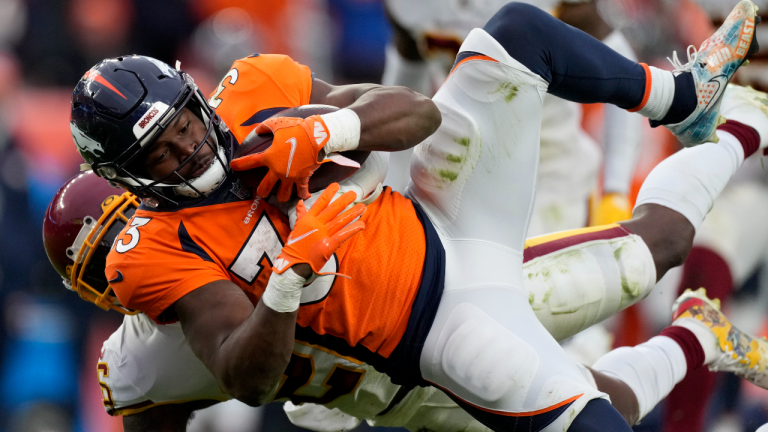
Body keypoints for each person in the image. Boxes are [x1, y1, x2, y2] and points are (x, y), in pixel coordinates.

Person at [68, 2, 763, 430]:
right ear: (125, 181)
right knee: (597, 383)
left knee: (515, 34)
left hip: (438, 216)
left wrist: (330, 132)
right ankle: (697, 334)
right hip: (427, 343)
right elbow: (246, 377)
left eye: (185, 125)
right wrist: (287, 281)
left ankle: (691, 98)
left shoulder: (255, 88)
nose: (189, 148)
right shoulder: (150, 288)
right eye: (159, 153)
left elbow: (415, 109)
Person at [43, 131, 768, 430]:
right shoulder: (137, 362)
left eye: (129, 233)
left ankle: (744, 121)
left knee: (647, 255)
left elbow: (368, 129)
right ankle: (695, 336)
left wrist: (329, 139)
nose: (130, 257)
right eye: (111, 261)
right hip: (393, 408)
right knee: (585, 409)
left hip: (444, 302)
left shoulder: (225, 192)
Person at [382, 0, 642, 233]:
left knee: (530, 274)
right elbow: (404, 97)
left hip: (549, 168)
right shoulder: (408, 6)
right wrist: (391, 192)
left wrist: (616, 190)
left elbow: (623, 71)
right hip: (464, 171)